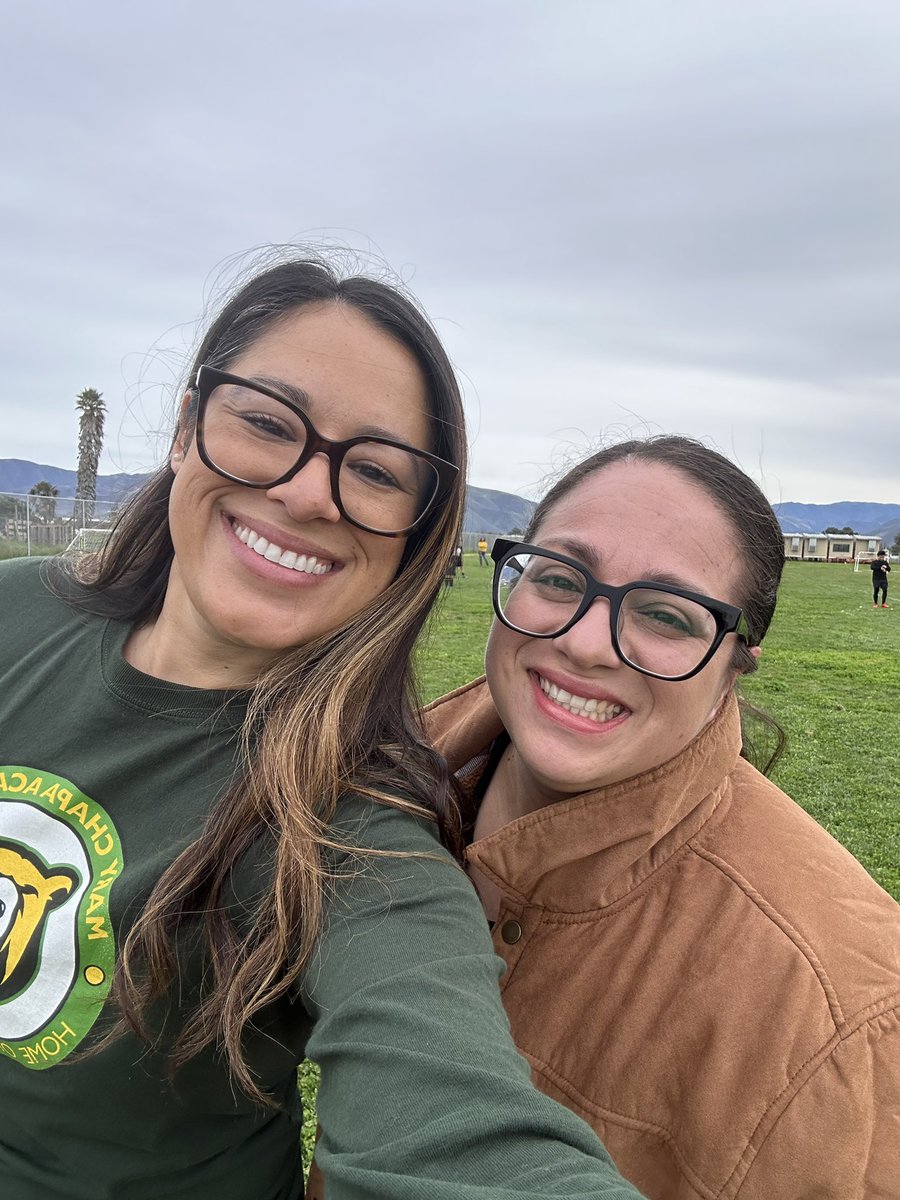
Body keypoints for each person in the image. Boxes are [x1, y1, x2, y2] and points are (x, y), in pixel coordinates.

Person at [0, 257, 647, 1200]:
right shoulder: (18, 612)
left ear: (412, 537)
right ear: (187, 428)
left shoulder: (353, 827)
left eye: (377, 471)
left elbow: (451, 1121)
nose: (308, 493)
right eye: (267, 422)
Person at [425, 436, 900, 1200]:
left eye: (667, 617)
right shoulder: (381, 781)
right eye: (558, 576)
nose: (582, 642)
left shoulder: (837, 1022)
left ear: (736, 663)